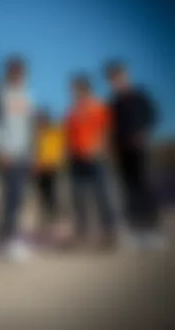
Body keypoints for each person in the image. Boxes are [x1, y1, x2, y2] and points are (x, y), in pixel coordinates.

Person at [105, 60, 166, 250]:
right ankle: (137, 231)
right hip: (121, 154)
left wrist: (142, 133)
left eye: (118, 76)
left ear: (126, 75)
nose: (116, 81)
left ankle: (153, 231)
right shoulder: (113, 103)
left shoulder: (139, 96)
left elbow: (152, 116)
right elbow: (110, 129)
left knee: (144, 187)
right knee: (128, 190)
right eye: (112, 78)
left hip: (139, 151)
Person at [65, 75, 117, 248]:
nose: (73, 92)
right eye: (72, 89)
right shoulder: (72, 111)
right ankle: (82, 235)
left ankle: (110, 234)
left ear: (85, 88)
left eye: (76, 89)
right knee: (78, 199)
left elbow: (106, 131)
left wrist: (100, 149)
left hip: (96, 159)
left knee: (102, 196)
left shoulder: (98, 106)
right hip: (76, 161)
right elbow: (68, 136)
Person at [0, 57, 35, 261]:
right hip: (7, 154)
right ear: (8, 72)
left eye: (21, 71)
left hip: (24, 155)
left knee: (19, 198)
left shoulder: (26, 95)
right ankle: (9, 240)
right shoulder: (0, 93)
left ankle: (11, 238)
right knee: (10, 198)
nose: (19, 75)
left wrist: (32, 154)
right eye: (15, 71)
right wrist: (1, 149)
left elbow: (29, 127)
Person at [33, 109, 65, 236]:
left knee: (53, 196)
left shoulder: (54, 132)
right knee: (42, 197)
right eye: (39, 119)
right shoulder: (37, 134)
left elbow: (60, 149)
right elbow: (36, 152)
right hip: (40, 170)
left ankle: (54, 222)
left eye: (43, 119)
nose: (41, 121)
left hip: (52, 169)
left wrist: (58, 163)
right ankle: (45, 223)